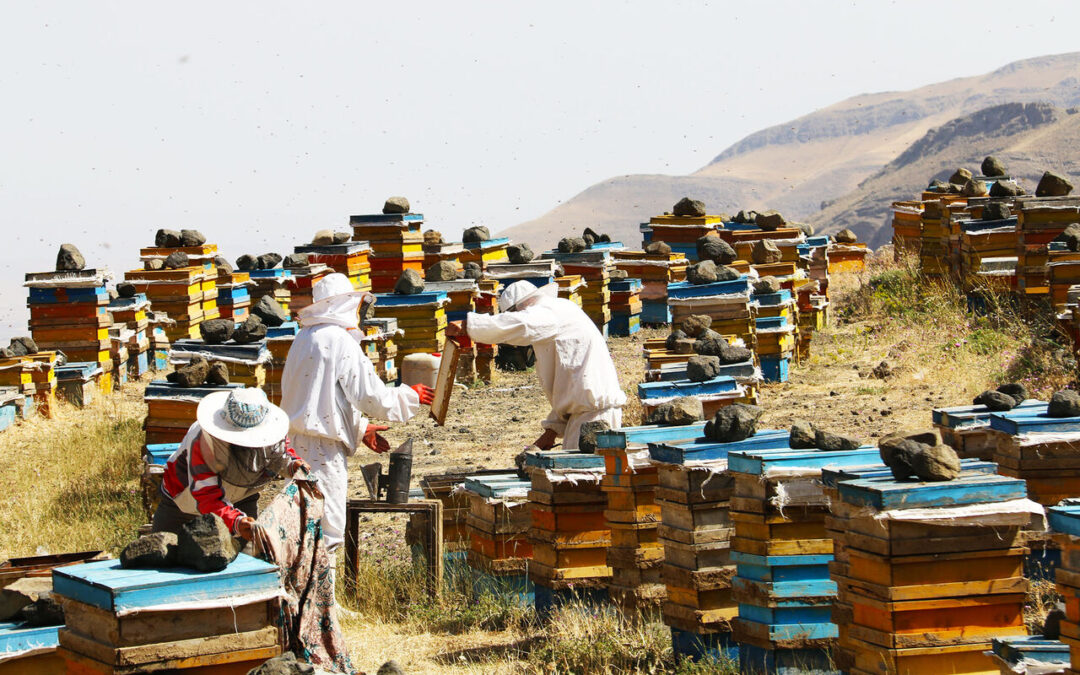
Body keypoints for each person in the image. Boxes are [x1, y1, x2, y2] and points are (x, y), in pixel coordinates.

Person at [280, 273, 434, 553]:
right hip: (323, 451)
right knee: (327, 530)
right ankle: (323, 584)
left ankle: (301, 582)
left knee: (302, 526)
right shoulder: (339, 340)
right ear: (345, 304)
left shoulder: (303, 337)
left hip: (295, 445)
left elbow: (320, 396)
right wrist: (410, 396)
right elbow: (370, 396)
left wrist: (360, 428)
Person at [446, 279, 626, 450]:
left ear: (520, 308)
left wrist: (468, 325)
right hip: (586, 415)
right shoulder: (557, 312)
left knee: (585, 470)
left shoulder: (546, 312)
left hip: (594, 419)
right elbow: (568, 381)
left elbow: (521, 324)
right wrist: (551, 432)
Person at [153, 387, 308, 542]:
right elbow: (206, 495)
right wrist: (235, 522)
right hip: (184, 503)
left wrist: (293, 465)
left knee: (248, 552)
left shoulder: (271, 433)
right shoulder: (203, 442)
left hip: (243, 498)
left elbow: (278, 454)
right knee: (163, 550)